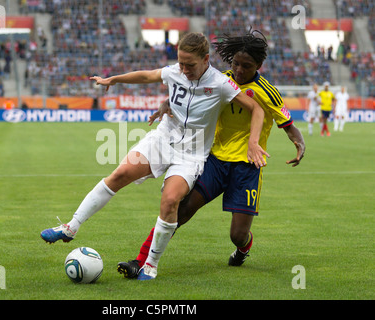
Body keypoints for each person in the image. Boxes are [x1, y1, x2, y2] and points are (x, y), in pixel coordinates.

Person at [40, 33, 268, 280]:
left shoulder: (222, 84)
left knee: (171, 202)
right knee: (120, 174)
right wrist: (113, 80)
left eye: (189, 65)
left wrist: (253, 142)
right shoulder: (175, 72)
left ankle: (150, 265)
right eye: (180, 63)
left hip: (190, 157)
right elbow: (147, 75)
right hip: (162, 141)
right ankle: (70, 227)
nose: (183, 69)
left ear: (205, 59)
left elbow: (256, 108)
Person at [117, 29, 305, 279]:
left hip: (247, 167)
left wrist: (299, 143)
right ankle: (140, 260)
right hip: (214, 161)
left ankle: (243, 247)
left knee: (237, 235)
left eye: (246, 66)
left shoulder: (267, 92)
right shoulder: (219, 80)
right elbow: (183, 94)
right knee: (181, 210)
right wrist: (166, 104)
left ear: (259, 65)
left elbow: (289, 126)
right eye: (236, 64)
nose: (238, 70)